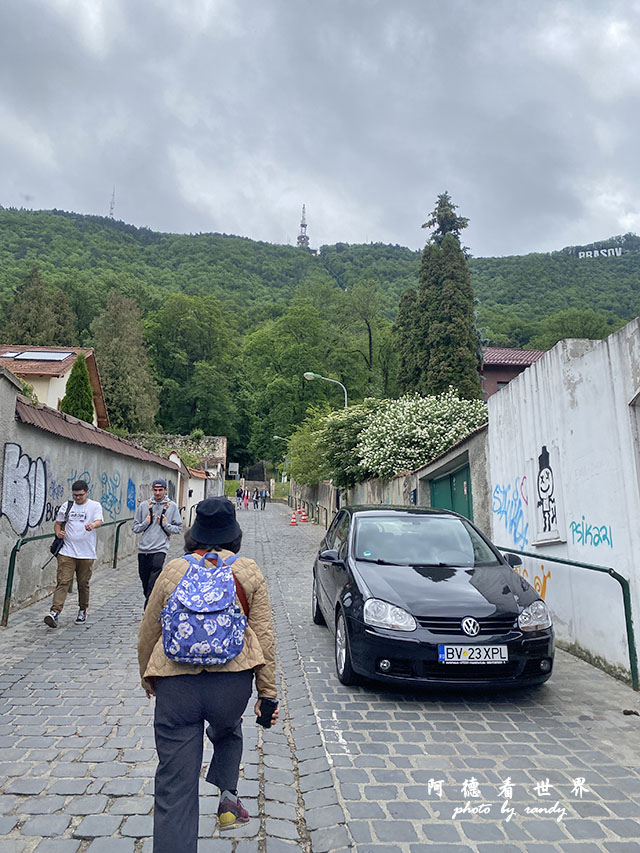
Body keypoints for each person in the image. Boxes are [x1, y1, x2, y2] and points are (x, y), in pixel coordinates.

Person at [138, 497, 279, 853]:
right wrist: (267, 695)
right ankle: (228, 794)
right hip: (230, 687)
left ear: (193, 533)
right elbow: (263, 637)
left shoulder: (173, 570)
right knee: (228, 727)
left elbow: (148, 633)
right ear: (234, 534)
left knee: (174, 784)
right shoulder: (247, 571)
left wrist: (148, 677)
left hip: (177, 688)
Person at [44, 480, 103, 628]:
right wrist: (59, 533)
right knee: (63, 581)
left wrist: (92, 525)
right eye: (75, 495)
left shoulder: (94, 506)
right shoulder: (67, 505)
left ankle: (83, 609)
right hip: (67, 551)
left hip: (86, 553)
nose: (78, 498)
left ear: (87, 492)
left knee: (83, 584)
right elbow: (58, 523)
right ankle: (55, 612)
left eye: (81, 495)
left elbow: (99, 521)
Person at [132, 478, 182, 604]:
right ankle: (149, 600)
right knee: (144, 579)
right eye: (155, 490)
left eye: (160, 490)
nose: (158, 493)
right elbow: (135, 527)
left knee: (154, 578)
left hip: (160, 548)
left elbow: (178, 528)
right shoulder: (144, 506)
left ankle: (148, 606)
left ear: (165, 490)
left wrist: (166, 525)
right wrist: (146, 523)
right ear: (152, 490)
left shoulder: (172, 507)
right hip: (144, 548)